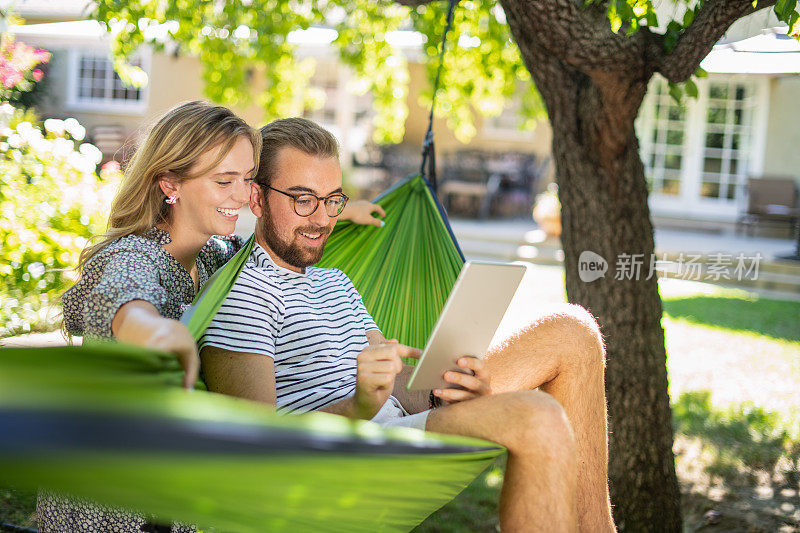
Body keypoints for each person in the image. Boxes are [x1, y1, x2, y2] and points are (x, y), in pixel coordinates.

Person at [200, 118, 617, 532]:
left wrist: (458, 389)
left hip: (404, 419)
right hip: (344, 461)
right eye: (303, 199)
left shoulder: (335, 281)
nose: (322, 220)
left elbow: (396, 386)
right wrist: (360, 406)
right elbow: (257, 452)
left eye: (332, 201)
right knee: (536, 417)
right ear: (256, 198)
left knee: (573, 331)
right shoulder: (243, 295)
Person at [39, 101, 385, 533]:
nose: (242, 197)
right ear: (170, 184)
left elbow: (268, 247)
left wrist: (337, 209)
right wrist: (153, 331)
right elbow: (120, 296)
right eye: (224, 181)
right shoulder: (131, 255)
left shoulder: (212, 258)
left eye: (246, 179)